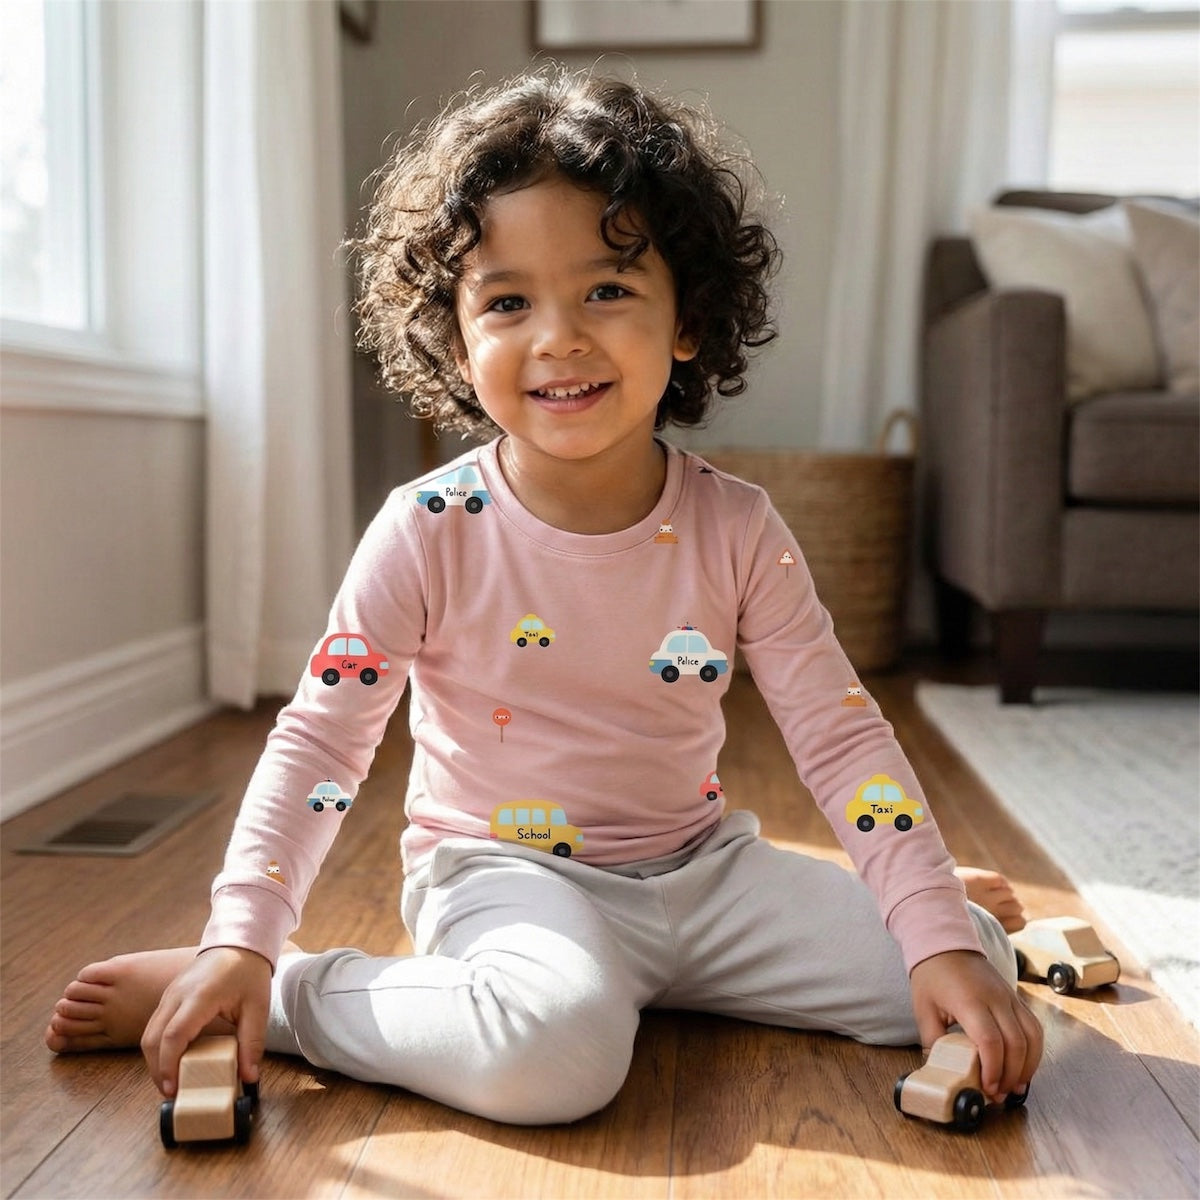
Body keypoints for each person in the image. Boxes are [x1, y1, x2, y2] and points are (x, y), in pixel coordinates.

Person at [46, 67, 1041, 1126]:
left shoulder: (739, 526)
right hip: (503, 880)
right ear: (456, 336)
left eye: (607, 289)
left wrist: (923, 920)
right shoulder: (424, 530)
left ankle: (887, 897)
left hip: (703, 872)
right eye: (508, 301)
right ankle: (289, 995)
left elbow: (840, 742)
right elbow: (322, 747)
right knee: (555, 1059)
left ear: (688, 318)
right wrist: (242, 939)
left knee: (969, 962)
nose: (557, 336)